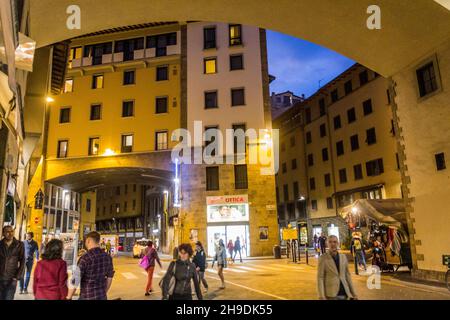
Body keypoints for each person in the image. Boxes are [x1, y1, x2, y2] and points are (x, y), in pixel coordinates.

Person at [68, 231, 115, 300]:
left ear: (88, 240)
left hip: (87, 296)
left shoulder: (85, 258)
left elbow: (76, 280)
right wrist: (103, 292)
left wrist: (69, 296)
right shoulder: (108, 257)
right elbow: (110, 278)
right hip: (102, 296)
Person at [317, 235, 357, 300]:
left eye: (335, 242)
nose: (333, 244)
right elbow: (320, 277)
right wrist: (321, 296)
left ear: (338, 243)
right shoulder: (323, 258)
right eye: (330, 242)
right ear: (327, 244)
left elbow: (347, 276)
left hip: (344, 293)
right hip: (331, 294)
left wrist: (354, 293)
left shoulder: (343, 257)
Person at [0, 225, 25, 300]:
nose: (10, 233)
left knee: (8, 298)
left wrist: (17, 277)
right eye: (7, 232)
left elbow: (22, 261)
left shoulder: (19, 244)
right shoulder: (0, 244)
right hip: (0, 278)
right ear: (3, 233)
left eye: (12, 231)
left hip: (11, 279)